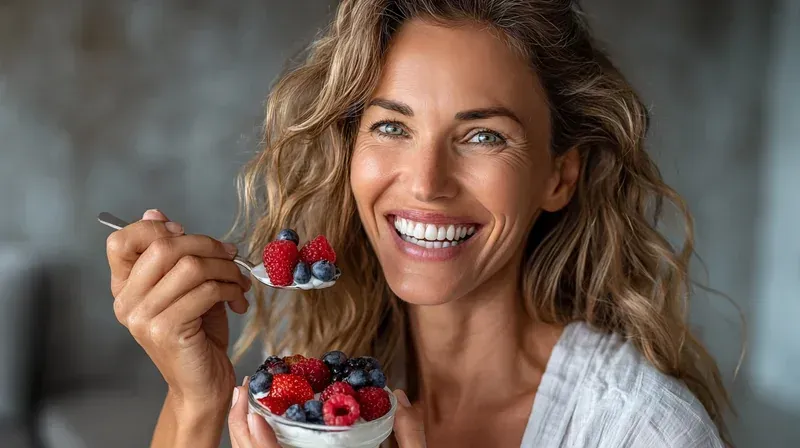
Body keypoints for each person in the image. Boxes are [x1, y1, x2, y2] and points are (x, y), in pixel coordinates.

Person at [104, 0, 734, 447]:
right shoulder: (319, 397)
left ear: (558, 176)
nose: (427, 181)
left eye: (484, 135)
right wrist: (195, 403)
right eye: (392, 126)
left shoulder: (643, 431)